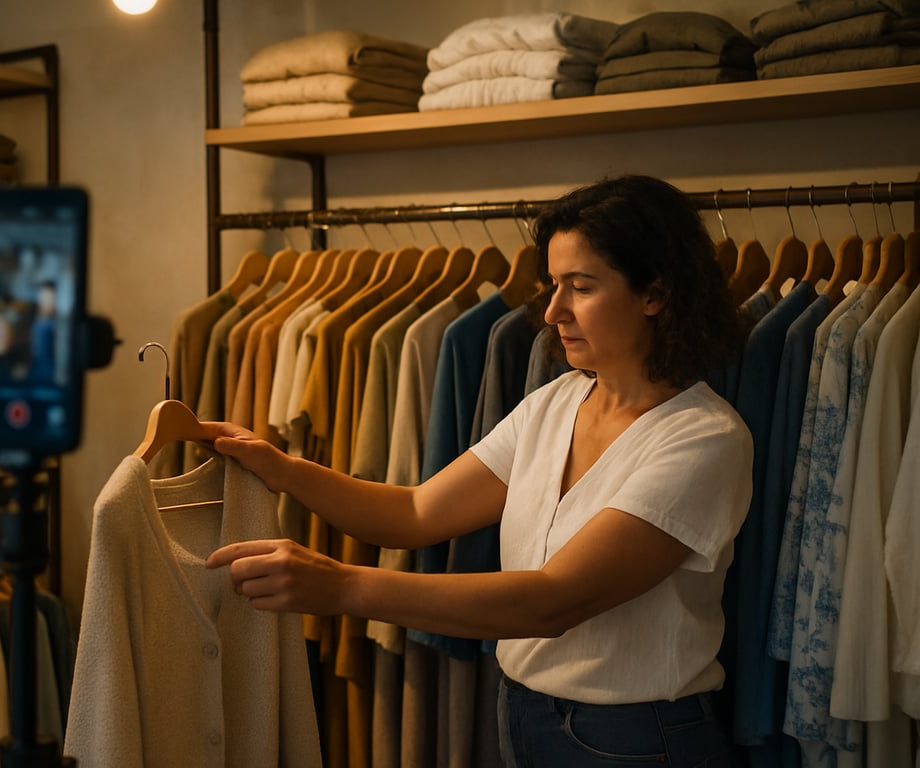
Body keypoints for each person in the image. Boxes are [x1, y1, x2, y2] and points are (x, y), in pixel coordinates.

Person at [204, 174, 753, 767]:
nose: (553, 310)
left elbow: (552, 601)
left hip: (637, 738)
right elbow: (415, 513)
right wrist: (282, 468)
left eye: (581, 287)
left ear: (655, 293)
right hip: (522, 713)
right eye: (553, 285)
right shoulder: (557, 401)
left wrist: (340, 587)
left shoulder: (703, 439)